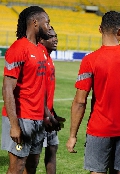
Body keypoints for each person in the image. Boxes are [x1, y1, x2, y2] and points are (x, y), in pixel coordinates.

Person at [66, 11, 120, 174]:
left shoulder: (90, 60)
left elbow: (80, 101)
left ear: (99, 29)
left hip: (99, 128)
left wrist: (73, 135)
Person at [1, 5, 58, 174]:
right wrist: (14, 125)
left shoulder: (41, 50)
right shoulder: (18, 48)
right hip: (21, 118)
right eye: (46, 22)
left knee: (32, 164)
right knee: (17, 166)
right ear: (35, 22)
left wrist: (47, 114)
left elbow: (42, 88)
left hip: (38, 119)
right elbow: (7, 89)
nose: (48, 26)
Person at [39, 27, 66, 174]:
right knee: (32, 158)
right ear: (41, 40)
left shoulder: (49, 58)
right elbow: (38, 91)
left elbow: (47, 91)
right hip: (40, 115)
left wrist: (53, 113)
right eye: (51, 37)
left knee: (52, 148)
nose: (55, 39)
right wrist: (47, 114)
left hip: (48, 114)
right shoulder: (41, 59)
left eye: (56, 36)